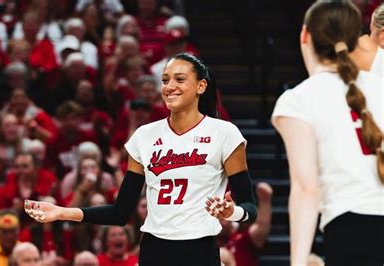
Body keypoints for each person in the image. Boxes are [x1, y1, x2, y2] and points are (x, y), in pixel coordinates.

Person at [25, 53, 258, 266]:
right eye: (165, 80)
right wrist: (61, 212)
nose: (170, 87)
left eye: (179, 79)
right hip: (153, 250)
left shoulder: (224, 133)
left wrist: (231, 212)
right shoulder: (144, 136)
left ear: (201, 86)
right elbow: (121, 212)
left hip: (199, 250)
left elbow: (250, 207)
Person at [271, 1, 384, 265]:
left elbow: (306, 188)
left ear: (305, 35)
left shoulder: (298, 99)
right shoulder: (380, 85)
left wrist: (297, 262)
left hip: (353, 229)